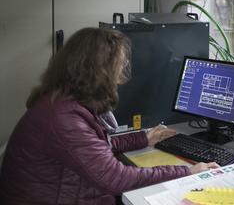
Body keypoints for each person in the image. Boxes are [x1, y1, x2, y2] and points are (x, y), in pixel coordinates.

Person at [0, 28, 219, 204]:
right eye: (118, 67)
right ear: (97, 71)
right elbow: (115, 178)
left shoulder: (60, 100)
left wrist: (143, 138)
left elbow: (92, 147)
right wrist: (187, 171)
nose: (120, 76)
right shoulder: (64, 119)